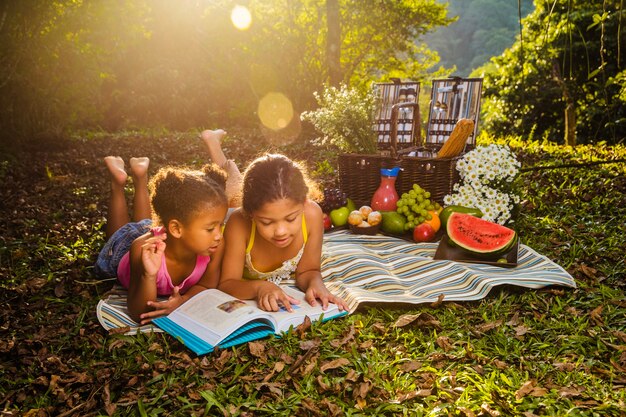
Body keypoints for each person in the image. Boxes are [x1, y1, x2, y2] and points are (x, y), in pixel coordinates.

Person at [200, 129, 348, 312]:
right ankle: (214, 144)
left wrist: (316, 284)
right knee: (230, 185)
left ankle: (221, 153)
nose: (281, 231)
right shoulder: (239, 222)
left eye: (291, 218)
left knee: (236, 182)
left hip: (261, 202)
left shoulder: (312, 214)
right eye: (267, 222)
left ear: (303, 203)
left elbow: (309, 271)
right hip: (233, 206)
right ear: (251, 214)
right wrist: (259, 287)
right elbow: (228, 283)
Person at [94, 155, 229, 322]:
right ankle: (118, 184)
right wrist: (148, 275)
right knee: (118, 233)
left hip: (162, 234)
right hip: (126, 249)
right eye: (210, 229)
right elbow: (139, 313)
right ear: (177, 229)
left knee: (145, 223)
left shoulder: (214, 246)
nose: (219, 235)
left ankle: (140, 177)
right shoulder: (139, 249)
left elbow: (207, 285)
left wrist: (183, 301)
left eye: (221, 225)